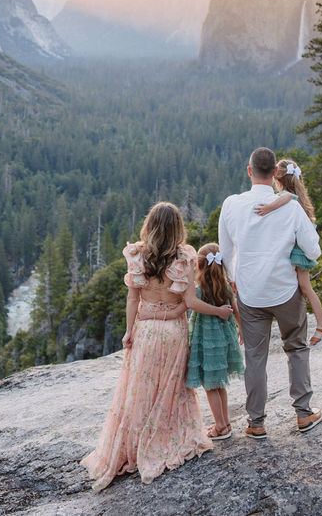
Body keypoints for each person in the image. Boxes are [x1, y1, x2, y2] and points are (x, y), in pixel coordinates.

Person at [82, 201, 234, 491]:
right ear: (178, 228)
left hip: (147, 331)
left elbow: (132, 299)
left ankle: (136, 444)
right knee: (173, 389)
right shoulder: (185, 257)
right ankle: (170, 438)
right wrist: (180, 311)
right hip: (173, 332)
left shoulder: (138, 256)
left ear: (149, 226)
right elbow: (189, 303)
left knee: (140, 390)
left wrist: (129, 332)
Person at [218, 147, 322, 439]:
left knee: (255, 357)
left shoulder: (231, 205)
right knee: (296, 346)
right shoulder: (290, 206)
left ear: (249, 171)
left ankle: (256, 422)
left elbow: (226, 253)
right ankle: (303, 414)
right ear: (276, 172)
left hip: (250, 292)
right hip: (286, 290)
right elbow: (313, 248)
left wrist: (233, 281)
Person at [253, 158, 322, 347]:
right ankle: (321, 324)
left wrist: (269, 207)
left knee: (305, 287)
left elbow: (288, 198)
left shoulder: (288, 196)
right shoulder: (299, 195)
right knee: (304, 287)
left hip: (299, 250)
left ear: (277, 180)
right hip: (300, 248)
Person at [185, 243, 244, 440]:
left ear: (199, 266)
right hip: (224, 339)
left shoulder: (199, 290)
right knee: (219, 383)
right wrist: (241, 329)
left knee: (210, 385)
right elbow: (235, 309)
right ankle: (225, 422)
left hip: (207, 340)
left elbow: (191, 304)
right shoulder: (225, 287)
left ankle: (220, 426)